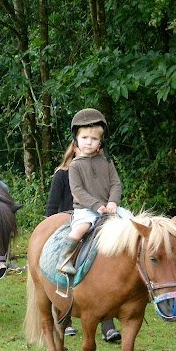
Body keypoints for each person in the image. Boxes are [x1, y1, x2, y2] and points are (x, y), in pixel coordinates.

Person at [46, 139, 121, 342]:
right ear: (75, 148)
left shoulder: (103, 171)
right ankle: (65, 317)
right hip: (74, 220)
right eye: (83, 143)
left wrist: (110, 206)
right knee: (73, 263)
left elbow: (113, 189)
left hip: (101, 218)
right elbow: (53, 206)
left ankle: (108, 323)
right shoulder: (62, 175)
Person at [57, 108, 122, 276]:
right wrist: (95, 205)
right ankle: (64, 259)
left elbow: (115, 183)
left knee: (132, 223)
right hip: (86, 210)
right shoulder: (75, 165)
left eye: (94, 139)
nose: (88, 142)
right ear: (76, 141)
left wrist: (113, 202)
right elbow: (77, 191)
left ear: (100, 142)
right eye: (84, 138)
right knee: (81, 228)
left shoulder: (107, 162)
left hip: (109, 208)